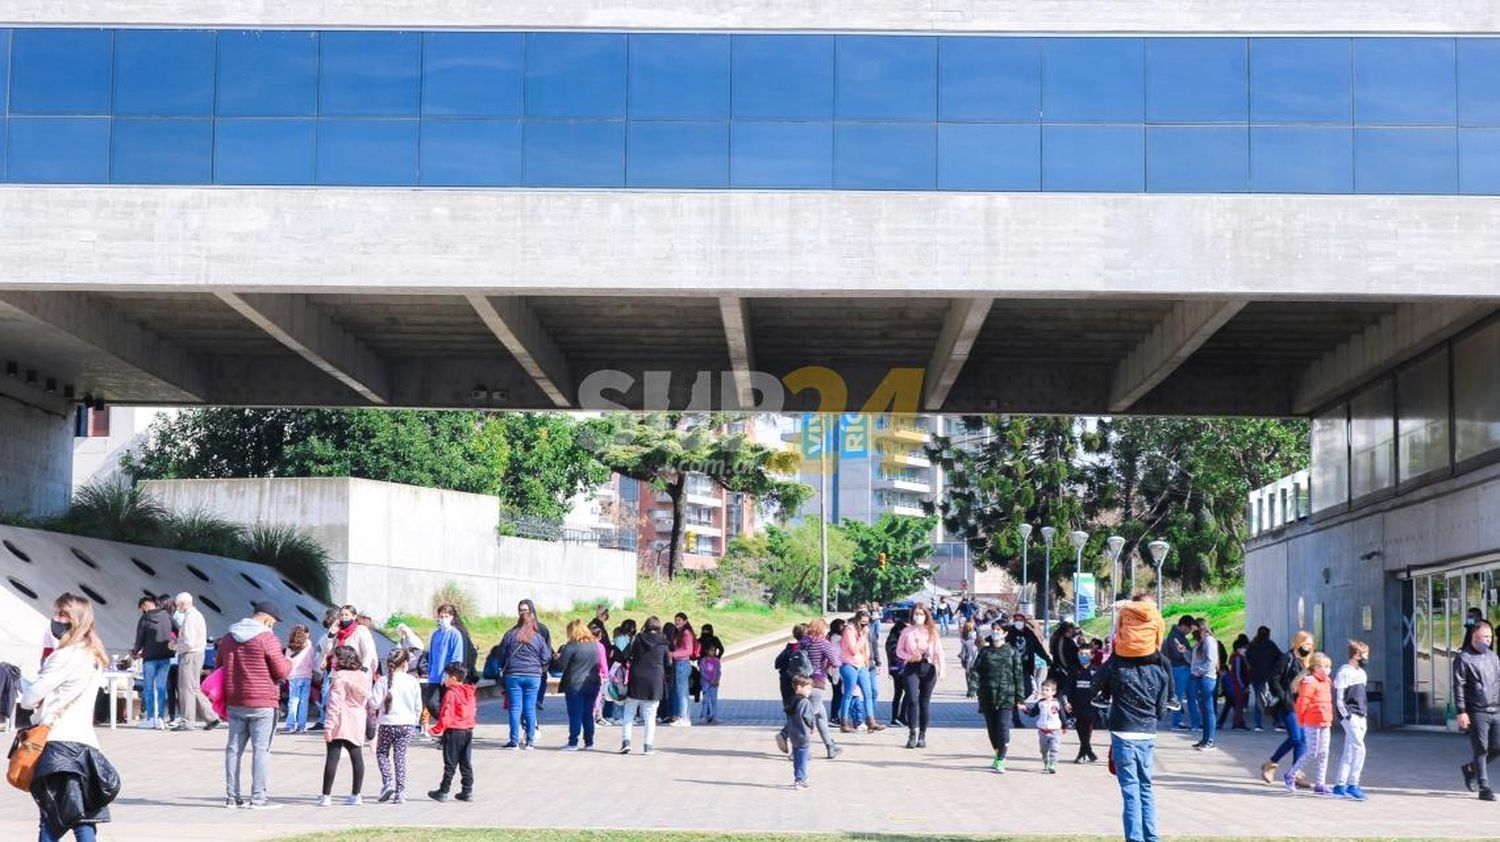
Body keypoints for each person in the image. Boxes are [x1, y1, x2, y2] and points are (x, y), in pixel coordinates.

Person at [23, 593, 120, 842]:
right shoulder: (95, 657)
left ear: (76, 621)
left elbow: (29, 698)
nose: (56, 619)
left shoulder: (63, 656)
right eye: (57, 613)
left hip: (58, 743)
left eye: (63, 614)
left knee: (51, 817)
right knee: (83, 817)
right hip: (86, 745)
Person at [219, 601, 291, 809]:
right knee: (261, 750)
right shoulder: (267, 638)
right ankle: (258, 798)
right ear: (268, 619)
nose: (273, 627)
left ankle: (232, 797)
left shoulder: (229, 637)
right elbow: (281, 671)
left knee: (233, 749)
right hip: (263, 701)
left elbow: (219, 667)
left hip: (235, 700)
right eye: (274, 623)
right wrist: (290, 662)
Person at [1096, 650, 1171, 842]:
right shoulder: (1159, 671)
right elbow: (1161, 711)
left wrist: (1114, 657)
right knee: (1145, 787)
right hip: (1147, 732)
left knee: (1131, 790)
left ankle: (1135, 838)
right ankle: (1151, 837)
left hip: (1123, 731)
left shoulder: (1118, 668)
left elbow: (1095, 683)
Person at [318, 645, 371, 807]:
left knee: (333, 757)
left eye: (334, 658)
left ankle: (326, 795)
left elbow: (335, 703)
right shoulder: (364, 675)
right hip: (357, 718)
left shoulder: (339, 677)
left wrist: (328, 726)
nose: (332, 661)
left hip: (340, 719)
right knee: (357, 757)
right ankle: (356, 794)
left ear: (341, 659)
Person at [496, 599, 552, 750]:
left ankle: (514, 741)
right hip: (533, 676)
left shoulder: (510, 634)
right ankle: (530, 742)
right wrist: (536, 664)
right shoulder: (538, 637)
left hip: (513, 675)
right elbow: (547, 657)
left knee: (515, 708)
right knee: (529, 708)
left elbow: (501, 654)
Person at [1261, 630, 1314, 786]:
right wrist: (1284, 697)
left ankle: (1296, 774)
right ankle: (1271, 764)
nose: (1309, 647)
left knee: (1302, 740)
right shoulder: (1287, 658)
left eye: (1311, 644)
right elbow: (1274, 678)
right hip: (1288, 704)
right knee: (1296, 737)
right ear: (1298, 643)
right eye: (1306, 644)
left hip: (1303, 705)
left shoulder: (1308, 661)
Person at [1456, 619, 1500, 801]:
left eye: (1490, 637)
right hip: (1477, 710)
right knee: (1481, 748)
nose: (1489, 640)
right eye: (1486, 636)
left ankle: (1470, 769)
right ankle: (1484, 787)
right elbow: (1459, 685)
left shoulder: (1493, 657)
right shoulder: (1464, 657)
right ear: (1475, 636)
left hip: (1496, 708)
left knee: (1497, 747)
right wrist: (1461, 711)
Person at [372, 648, 421, 803]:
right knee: (400, 757)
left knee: (382, 753)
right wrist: (415, 721)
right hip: (406, 724)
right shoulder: (412, 681)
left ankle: (388, 782)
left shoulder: (382, 681)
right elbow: (417, 705)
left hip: (387, 723)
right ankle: (401, 792)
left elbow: (374, 703)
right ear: (406, 664)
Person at [973, 629, 1026, 773]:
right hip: (987, 695)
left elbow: (1018, 675)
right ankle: (998, 753)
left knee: (1003, 727)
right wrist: (972, 688)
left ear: (1005, 633)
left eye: (999, 630)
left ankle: (1001, 759)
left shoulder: (1012, 652)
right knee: (992, 729)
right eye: (994, 629)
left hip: (1006, 696)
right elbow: (976, 671)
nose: (995, 632)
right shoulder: (985, 652)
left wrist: (1020, 698)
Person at [1284, 652, 1334, 795]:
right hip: (1312, 722)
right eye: (1325, 666)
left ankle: (1320, 783)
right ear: (1315, 667)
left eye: (1329, 666)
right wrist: (1301, 720)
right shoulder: (1309, 682)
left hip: (1325, 721)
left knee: (1324, 753)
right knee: (1312, 752)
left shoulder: (1327, 681)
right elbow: (1302, 703)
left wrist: (1329, 718)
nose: (1327, 669)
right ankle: (1291, 775)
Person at [620, 615, 671, 755]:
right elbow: (668, 663)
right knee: (650, 715)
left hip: (637, 678)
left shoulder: (637, 638)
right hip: (655, 680)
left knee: (629, 711)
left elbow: (625, 655)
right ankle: (648, 746)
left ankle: (626, 742)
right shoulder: (664, 642)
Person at [896, 603, 945, 749]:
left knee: (924, 702)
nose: (919, 617)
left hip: (928, 668)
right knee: (912, 700)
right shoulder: (906, 631)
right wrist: (908, 657)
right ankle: (912, 733)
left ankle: (922, 735)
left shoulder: (932, 631)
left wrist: (942, 668)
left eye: (921, 614)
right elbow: (899, 650)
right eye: (916, 614)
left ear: (926, 616)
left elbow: (939, 651)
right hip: (912, 667)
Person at [170, 592, 221, 732]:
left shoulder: (190, 617)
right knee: (194, 688)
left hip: (190, 655)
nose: (177, 607)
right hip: (197, 654)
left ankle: (188, 721)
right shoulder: (196, 615)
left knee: (186, 688)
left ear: (183, 603)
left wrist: (175, 646)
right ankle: (211, 716)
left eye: (178, 604)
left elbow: (189, 642)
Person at [427, 663, 476, 802]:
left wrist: (436, 729)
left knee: (450, 762)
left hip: (454, 731)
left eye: (446, 676)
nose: (444, 679)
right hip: (467, 730)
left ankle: (443, 790)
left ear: (453, 678)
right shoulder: (470, 693)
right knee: (465, 761)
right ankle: (467, 790)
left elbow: (446, 715)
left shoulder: (451, 694)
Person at [555, 619, 603, 751]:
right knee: (588, 714)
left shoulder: (571, 646)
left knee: (575, 714)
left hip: (575, 684)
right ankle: (589, 742)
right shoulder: (594, 645)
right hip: (593, 683)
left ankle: (573, 742)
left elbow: (561, 665)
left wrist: (557, 657)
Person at [798, 619, 843, 756]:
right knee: (808, 717)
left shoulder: (804, 642)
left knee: (821, 716)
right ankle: (794, 745)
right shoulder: (824, 643)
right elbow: (835, 662)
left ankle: (830, 746)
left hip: (804, 681)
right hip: (817, 682)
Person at [1332, 640, 1370, 801]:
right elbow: (1339, 698)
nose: (1367, 658)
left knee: (1350, 750)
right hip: (1351, 715)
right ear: (1356, 655)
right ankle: (1353, 783)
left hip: (1361, 714)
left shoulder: (1362, 673)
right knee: (1360, 749)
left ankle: (1340, 784)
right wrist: (1346, 716)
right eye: (1365, 655)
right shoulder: (1344, 672)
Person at [837, 610, 885, 734]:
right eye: (862, 623)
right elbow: (853, 650)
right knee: (848, 694)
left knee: (868, 693)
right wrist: (863, 636)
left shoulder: (865, 631)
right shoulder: (849, 630)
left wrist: (868, 661)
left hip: (862, 665)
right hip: (849, 664)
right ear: (857, 620)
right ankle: (844, 722)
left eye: (867, 623)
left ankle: (870, 720)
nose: (865, 626)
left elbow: (866, 649)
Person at [132, 596, 173, 730]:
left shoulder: (144, 619)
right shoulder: (167, 615)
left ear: (144, 605)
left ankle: (150, 718)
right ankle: (160, 718)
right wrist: (174, 643)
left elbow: (139, 638)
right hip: (165, 656)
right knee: (161, 687)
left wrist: (135, 652)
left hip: (149, 657)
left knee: (148, 687)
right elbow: (179, 629)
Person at [425, 604, 465, 718]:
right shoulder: (436, 634)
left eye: (446, 616)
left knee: (447, 704)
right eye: (441, 616)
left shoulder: (455, 634)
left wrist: (448, 675)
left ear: (451, 617)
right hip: (434, 675)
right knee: (431, 703)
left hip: (447, 677)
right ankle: (444, 722)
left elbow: (456, 658)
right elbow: (432, 655)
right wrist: (429, 672)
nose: (443, 619)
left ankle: (447, 727)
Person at [1066, 639, 1101, 763]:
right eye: (1081, 653)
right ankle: (1088, 750)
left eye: (1086, 654)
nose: (1083, 656)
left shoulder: (1097, 670)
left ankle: (1083, 752)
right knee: (1080, 727)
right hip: (1077, 703)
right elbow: (1068, 687)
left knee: (1088, 727)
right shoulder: (1074, 670)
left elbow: (1101, 687)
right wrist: (1066, 701)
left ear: (1092, 655)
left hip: (1091, 704)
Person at [1023, 678, 1066, 774]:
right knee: (1044, 749)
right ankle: (1046, 762)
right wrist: (1025, 709)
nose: (1044, 692)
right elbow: (1033, 713)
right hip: (1042, 731)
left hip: (1055, 730)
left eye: (1047, 690)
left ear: (1053, 692)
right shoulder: (1040, 703)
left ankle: (1052, 764)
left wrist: (1065, 725)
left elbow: (1062, 714)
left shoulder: (1057, 702)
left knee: (1054, 748)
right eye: (1043, 689)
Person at [1189, 619, 1219, 750]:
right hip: (1199, 677)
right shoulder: (1199, 642)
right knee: (1204, 710)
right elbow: (1194, 660)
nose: (1192, 630)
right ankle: (1205, 739)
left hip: (1206, 678)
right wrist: (1184, 651)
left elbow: (1211, 661)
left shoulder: (1209, 641)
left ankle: (1210, 740)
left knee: (1208, 710)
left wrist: (1198, 671)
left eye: (1194, 627)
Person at [326, 604, 378, 678]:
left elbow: (369, 651)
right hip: (337, 672)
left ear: (354, 616)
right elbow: (329, 651)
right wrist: (331, 634)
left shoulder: (361, 630)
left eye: (347, 615)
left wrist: (364, 670)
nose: (344, 617)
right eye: (342, 615)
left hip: (355, 673)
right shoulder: (339, 631)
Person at [1246, 626, 1282, 732]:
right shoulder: (1270, 645)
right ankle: (1277, 722)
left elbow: (1248, 659)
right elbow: (1279, 657)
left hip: (1255, 676)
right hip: (1268, 677)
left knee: (1259, 699)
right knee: (1274, 699)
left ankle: (1258, 724)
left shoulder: (1252, 645)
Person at [1164, 615, 1197, 731]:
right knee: (1177, 697)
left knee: (1190, 696)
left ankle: (1195, 723)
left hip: (1183, 669)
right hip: (1179, 668)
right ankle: (1176, 723)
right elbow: (1175, 655)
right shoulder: (1174, 637)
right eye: (1189, 629)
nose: (1189, 632)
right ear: (1183, 626)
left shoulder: (1180, 636)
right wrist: (1187, 654)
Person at [785, 675, 818, 790]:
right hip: (803, 734)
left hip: (793, 734)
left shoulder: (792, 700)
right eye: (808, 688)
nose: (810, 691)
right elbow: (808, 717)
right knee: (803, 758)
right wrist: (813, 726)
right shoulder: (805, 702)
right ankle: (801, 780)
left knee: (797, 756)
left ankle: (798, 777)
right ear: (799, 687)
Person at [283, 624, 315, 734]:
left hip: (293, 677)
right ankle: (302, 726)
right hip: (306, 676)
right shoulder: (309, 646)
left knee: (293, 701)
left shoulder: (290, 646)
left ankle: (290, 725)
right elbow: (312, 662)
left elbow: (287, 662)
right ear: (306, 634)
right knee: (304, 702)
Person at [668, 613, 697, 726]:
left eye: (679, 620)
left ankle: (684, 717)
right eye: (676, 620)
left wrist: (673, 654)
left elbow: (688, 650)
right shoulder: (682, 633)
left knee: (682, 692)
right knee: (683, 692)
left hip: (682, 663)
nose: (677, 622)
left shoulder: (686, 633)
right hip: (681, 664)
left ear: (685, 621)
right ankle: (684, 716)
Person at [1218, 634, 1251, 732]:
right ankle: (1237, 724)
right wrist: (1243, 686)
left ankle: (1224, 723)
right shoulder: (1238, 658)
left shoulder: (1238, 657)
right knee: (1238, 705)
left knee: (1231, 705)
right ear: (1239, 649)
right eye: (1243, 648)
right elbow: (1237, 674)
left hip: (1235, 686)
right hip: (1237, 686)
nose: (1245, 650)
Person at [698, 623, 724, 724]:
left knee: (710, 698)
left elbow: (719, 671)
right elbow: (721, 649)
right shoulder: (713, 639)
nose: (705, 633)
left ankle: (711, 715)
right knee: (706, 698)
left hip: (709, 673)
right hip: (705, 674)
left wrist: (716, 658)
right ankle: (706, 715)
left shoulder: (701, 640)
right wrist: (717, 657)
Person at [885, 617, 907, 727]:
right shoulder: (893, 639)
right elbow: (895, 653)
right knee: (905, 693)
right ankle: (900, 717)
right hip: (898, 670)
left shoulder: (894, 638)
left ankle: (896, 718)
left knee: (899, 694)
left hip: (897, 669)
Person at [958, 620, 980, 698]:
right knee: (976, 677)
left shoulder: (966, 643)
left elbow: (962, 655)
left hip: (968, 664)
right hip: (977, 664)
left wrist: (962, 660)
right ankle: (975, 691)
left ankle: (970, 691)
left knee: (969, 678)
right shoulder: (978, 642)